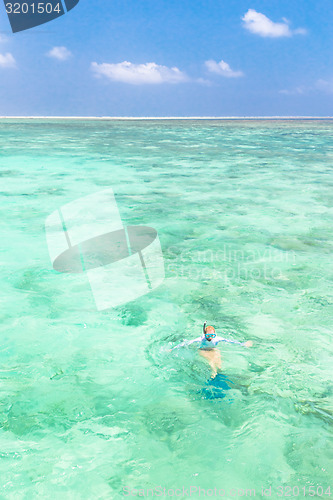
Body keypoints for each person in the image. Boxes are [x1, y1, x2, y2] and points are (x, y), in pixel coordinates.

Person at [170, 322, 253, 378]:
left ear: (215, 335)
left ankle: (219, 371)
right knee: (211, 360)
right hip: (203, 350)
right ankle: (213, 372)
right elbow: (186, 343)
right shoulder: (200, 339)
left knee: (219, 362)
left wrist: (243, 344)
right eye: (208, 336)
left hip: (214, 349)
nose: (210, 338)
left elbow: (230, 341)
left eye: (212, 336)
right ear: (204, 334)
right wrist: (172, 349)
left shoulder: (217, 339)